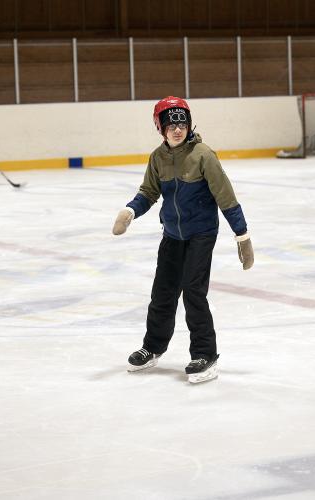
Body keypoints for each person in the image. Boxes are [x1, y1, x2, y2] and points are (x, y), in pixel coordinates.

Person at [112, 96, 254, 384]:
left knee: (192, 291)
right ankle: (153, 347)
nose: (177, 129)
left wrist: (242, 235)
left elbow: (226, 197)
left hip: (201, 234)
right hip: (173, 234)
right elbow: (148, 193)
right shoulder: (158, 158)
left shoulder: (203, 155)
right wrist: (130, 211)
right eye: (171, 124)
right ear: (161, 128)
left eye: (182, 123)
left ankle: (205, 354)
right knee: (162, 292)